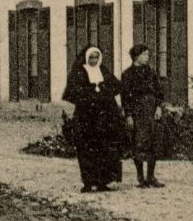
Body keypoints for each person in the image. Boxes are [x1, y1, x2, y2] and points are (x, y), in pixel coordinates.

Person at [62, 45, 124, 192]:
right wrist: (92, 94)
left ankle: (103, 181)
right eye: (91, 57)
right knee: (87, 148)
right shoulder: (79, 72)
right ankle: (89, 182)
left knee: (104, 148)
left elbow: (115, 87)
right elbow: (75, 92)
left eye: (96, 57)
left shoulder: (103, 70)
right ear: (86, 58)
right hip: (86, 118)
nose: (94, 60)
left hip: (104, 118)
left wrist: (102, 90)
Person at [123, 44, 166, 188]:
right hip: (137, 112)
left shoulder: (151, 72)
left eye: (148, 54)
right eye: (145, 54)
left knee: (154, 142)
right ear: (137, 56)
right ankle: (141, 178)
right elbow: (125, 97)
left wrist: (158, 107)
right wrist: (128, 115)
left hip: (151, 111)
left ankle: (151, 176)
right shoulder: (127, 74)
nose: (148, 57)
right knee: (138, 143)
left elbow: (159, 91)